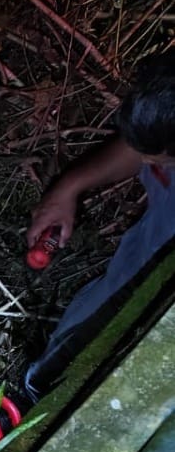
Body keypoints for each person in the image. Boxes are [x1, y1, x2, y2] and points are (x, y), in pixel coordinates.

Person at [22, 51, 175, 402]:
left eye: (162, 162)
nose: (145, 161)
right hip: (111, 294)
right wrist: (69, 188)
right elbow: (143, 148)